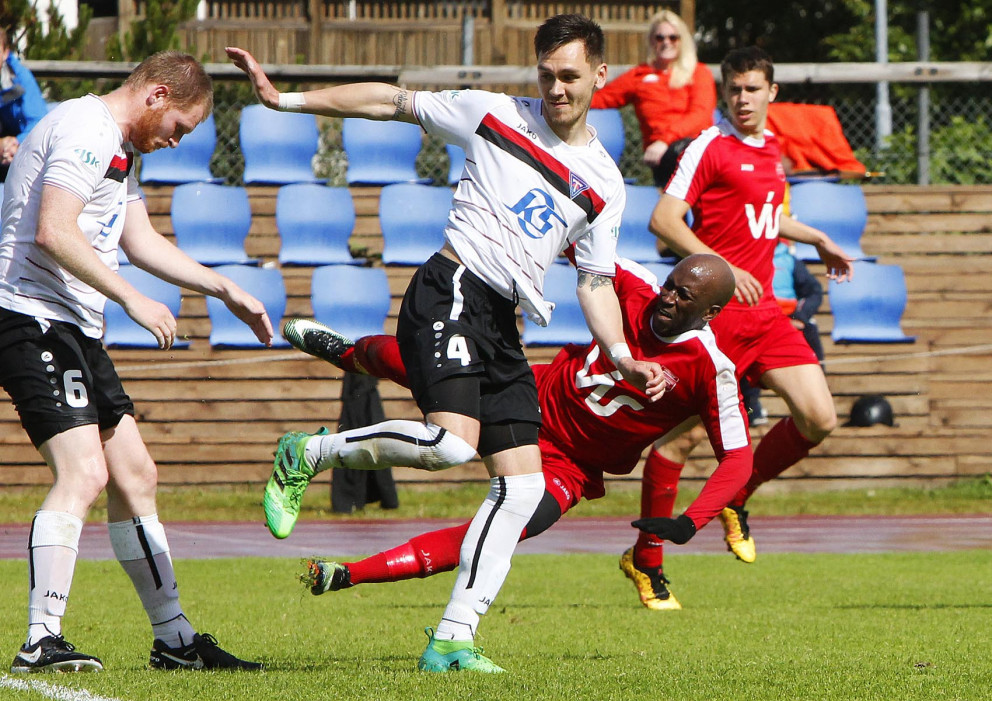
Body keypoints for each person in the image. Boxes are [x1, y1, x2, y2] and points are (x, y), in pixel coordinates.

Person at [228, 13, 665, 674]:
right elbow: (389, 100)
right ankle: (308, 451)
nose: (555, 88)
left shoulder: (605, 183)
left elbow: (596, 282)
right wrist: (287, 98)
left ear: (601, 75)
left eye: (570, 76)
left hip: (504, 322)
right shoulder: (492, 113)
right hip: (452, 287)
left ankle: (453, 636)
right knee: (453, 444)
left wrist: (624, 353)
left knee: (522, 488)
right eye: (546, 74)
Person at [0, 50, 271, 674]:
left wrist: (225, 288)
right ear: (155, 94)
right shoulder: (85, 129)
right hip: (31, 316)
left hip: (74, 326)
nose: (175, 142)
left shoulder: (120, 149)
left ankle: (174, 642)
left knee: (136, 476)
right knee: (84, 474)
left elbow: (138, 241)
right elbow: (54, 230)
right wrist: (132, 298)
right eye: (179, 127)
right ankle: (41, 638)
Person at [281, 253, 750, 612]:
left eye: (684, 297)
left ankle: (349, 574)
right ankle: (346, 353)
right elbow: (574, 240)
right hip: (525, 398)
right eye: (671, 285)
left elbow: (739, 458)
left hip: (573, 464)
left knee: (504, 531)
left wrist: (691, 522)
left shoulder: (713, 370)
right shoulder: (633, 283)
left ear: (709, 314)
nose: (667, 297)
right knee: (420, 366)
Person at [638, 46, 854, 579]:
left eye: (752, 89)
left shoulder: (771, 149)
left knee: (820, 418)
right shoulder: (709, 146)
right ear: (725, 93)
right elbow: (664, 220)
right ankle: (647, 560)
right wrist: (727, 269)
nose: (742, 99)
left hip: (764, 319)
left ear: (771, 93)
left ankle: (738, 495)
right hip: (718, 321)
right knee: (682, 440)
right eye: (734, 89)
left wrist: (817, 238)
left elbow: (769, 216)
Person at [590, 10, 716, 187]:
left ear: (682, 41)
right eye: (660, 38)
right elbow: (601, 98)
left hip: (695, 147)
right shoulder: (639, 76)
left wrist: (664, 140)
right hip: (665, 158)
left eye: (673, 37)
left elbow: (700, 115)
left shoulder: (698, 73)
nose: (666, 42)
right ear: (651, 41)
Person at [741, 241, 825, 424]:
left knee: (810, 329)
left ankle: (816, 400)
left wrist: (800, 316)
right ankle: (750, 407)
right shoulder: (746, 256)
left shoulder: (788, 259)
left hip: (789, 316)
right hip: (756, 316)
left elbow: (814, 291)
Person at [0, 27, 48, 181]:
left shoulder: (20, 78)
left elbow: (38, 122)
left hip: (16, 150)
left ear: (5, 52)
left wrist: (16, 143)